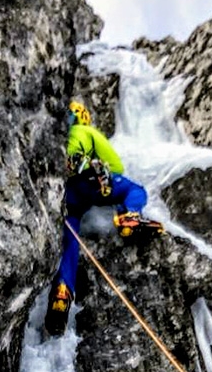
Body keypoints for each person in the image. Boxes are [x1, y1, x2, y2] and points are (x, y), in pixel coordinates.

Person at [44, 101, 160, 337]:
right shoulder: (86, 131)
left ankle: (62, 291)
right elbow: (116, 165)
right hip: (94, 182)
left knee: (70, 239)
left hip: (69, 194)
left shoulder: (57, 136)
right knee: (136, 191)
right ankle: (130, 215)